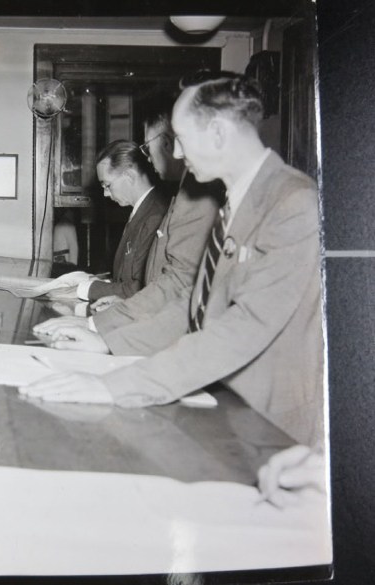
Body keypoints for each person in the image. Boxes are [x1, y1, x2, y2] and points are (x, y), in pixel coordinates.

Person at [24, 72, 325, 446]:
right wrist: (107, 341)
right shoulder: (236, 200)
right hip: (225, 410)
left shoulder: (292, 203)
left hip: (272, 426)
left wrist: (113, 386)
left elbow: (243, 327)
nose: (177, 154)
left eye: (180, 140)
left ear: (216, 133)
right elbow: (194, 305)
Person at [87, 104, 222, 336]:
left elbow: (178, 282)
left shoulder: (194, 195)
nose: (148, 159)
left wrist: (96, 323)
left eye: (149, 148)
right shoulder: (181, 194)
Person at [73, 140, 169, 302]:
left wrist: (85, 288)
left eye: (107, 185)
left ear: (129, 176)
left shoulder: (155, 216)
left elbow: (139, 288)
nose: (105, 194)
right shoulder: (142, 211)